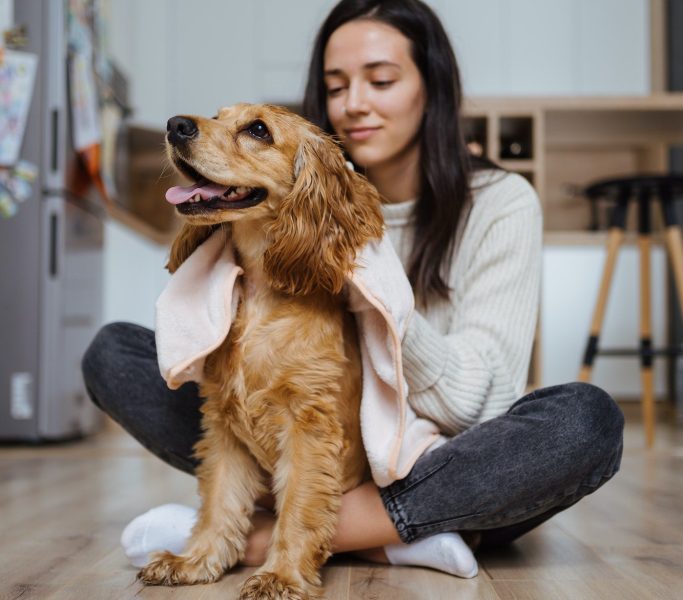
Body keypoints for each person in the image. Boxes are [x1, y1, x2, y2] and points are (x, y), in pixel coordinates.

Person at [82, 0, 624, 579]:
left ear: (432, 88)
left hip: (437, 460)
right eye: (335, 85)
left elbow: (481, 406)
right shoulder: (291, 187)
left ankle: (280, 538)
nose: (354, 104)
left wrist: (369, 291)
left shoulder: (499, 203)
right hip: (285, 450)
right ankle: (390, 532)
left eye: (382, 80)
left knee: (583, 421)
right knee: (114, 352)